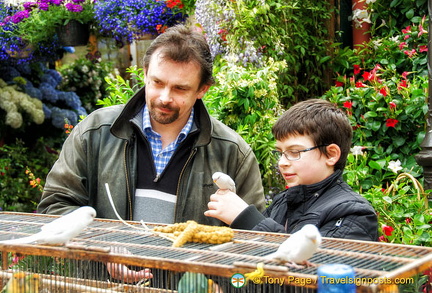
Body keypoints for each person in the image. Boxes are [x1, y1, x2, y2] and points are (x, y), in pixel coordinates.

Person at [205, 99, 378, 241]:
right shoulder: (283, 202)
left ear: (331, 155)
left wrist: (246, 218)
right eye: (280, 153)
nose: (282, 162)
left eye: (294, 152)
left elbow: (314, 271)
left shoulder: (354, 213)